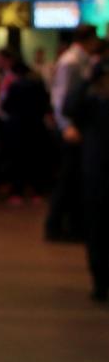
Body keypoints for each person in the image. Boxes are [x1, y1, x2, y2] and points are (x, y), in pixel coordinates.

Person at [63, 42, 109, 301]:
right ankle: (100, 279)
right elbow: (69, 107)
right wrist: (89, 79)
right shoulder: (92, 101)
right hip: (96, 171)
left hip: (95, 168)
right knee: (97, 228)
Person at [46, 26, 98, 241]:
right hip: (70, 128)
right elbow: (60, 97)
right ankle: (55, 226)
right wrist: (66, 125)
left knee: (73, 178)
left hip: (74, 126)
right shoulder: (71, 62)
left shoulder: (79, 60)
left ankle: (69, 226)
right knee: (68, 179)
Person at [0, 48, 52, 205]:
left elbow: (6, 106)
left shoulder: (14, 85)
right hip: (35, 126)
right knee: (35, 160)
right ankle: (37, 191)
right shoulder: (38, 83)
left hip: (17, 127)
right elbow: (45, 104)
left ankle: (17, 192)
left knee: (17, 161)